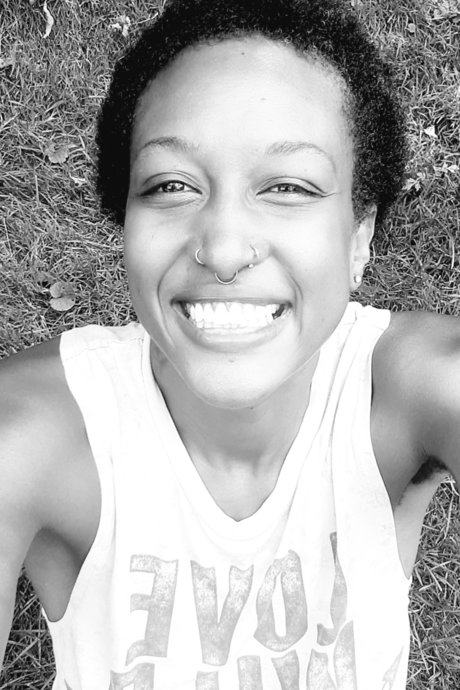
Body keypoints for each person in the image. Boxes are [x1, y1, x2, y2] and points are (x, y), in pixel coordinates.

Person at [0, 0, 457, 687]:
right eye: (171, 185)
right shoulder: (34, 437)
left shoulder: (405, 394)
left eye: (288, 187)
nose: (222, 248)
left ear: (359, 237)